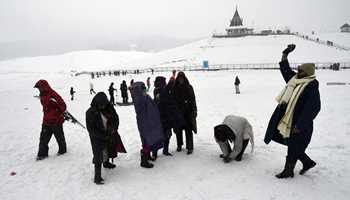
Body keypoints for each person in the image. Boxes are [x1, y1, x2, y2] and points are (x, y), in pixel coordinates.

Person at [264, 44, 321, 178]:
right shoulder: (296, 80)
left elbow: (313, 108)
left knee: (294, 145)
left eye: (301, 70)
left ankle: (288, 171)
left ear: (307, 73)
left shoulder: (311, 86)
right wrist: (285, 55)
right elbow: (286, 71)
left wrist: (300, 125)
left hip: (300, 124)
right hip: (289, 120)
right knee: (292, 144)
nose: (298, 72)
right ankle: (307, 162)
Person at [86, 92, 127, 185]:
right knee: (98, 155)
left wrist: (114, 129)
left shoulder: (109, 107)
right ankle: (97, 177)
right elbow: (91, 130)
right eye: (101, 105)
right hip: (97, 138)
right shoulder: (90, 112)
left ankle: (107, 163)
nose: (103, 106)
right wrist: (103, 136)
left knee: (109, 149)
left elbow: (116, 118)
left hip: (109, 133)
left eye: (104, 104)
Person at [131, 82, 164, 168]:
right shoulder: (139, 99)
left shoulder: (144, 97)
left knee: (149, 140)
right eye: (143, 89)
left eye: (144, 88)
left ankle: (147, 156)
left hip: (148, 122)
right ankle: (144, 161)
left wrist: (156, 100)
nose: (145, 90)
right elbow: (144, 109)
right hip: (144, 123)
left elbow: (151, 106)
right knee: (146, 141)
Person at [34, 80, 67, 161]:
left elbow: (63, 106)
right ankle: (42, 155)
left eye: (39, 88)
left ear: (44, 87)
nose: (39, 90)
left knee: (60, 138)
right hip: (46, 121)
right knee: (43, 140)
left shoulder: (53, 94)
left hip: (56, 121)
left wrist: (58, 109)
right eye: (38, 88)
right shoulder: (42, 95)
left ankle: (63, 151)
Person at [152, 76, 184, 159]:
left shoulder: (160, 90)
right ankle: (156, 153)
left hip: (165, 117)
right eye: (164, 82)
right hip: (161, 117)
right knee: (160, 136)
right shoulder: (160, 91)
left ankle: (163, 151)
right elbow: (164, 99)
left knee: (167, 134)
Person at [173, 72, 197, 155]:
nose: (180, 80)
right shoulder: (175, 88)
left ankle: (190, 147)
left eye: (182, 79)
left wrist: (194, 110)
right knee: (178, 131)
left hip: (188, 113)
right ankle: (179, 145)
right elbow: (173, 100)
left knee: (188, 131)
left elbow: (193, 99)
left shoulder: (189, 87)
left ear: (184, 78)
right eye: (179, 79)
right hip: (178, 113)